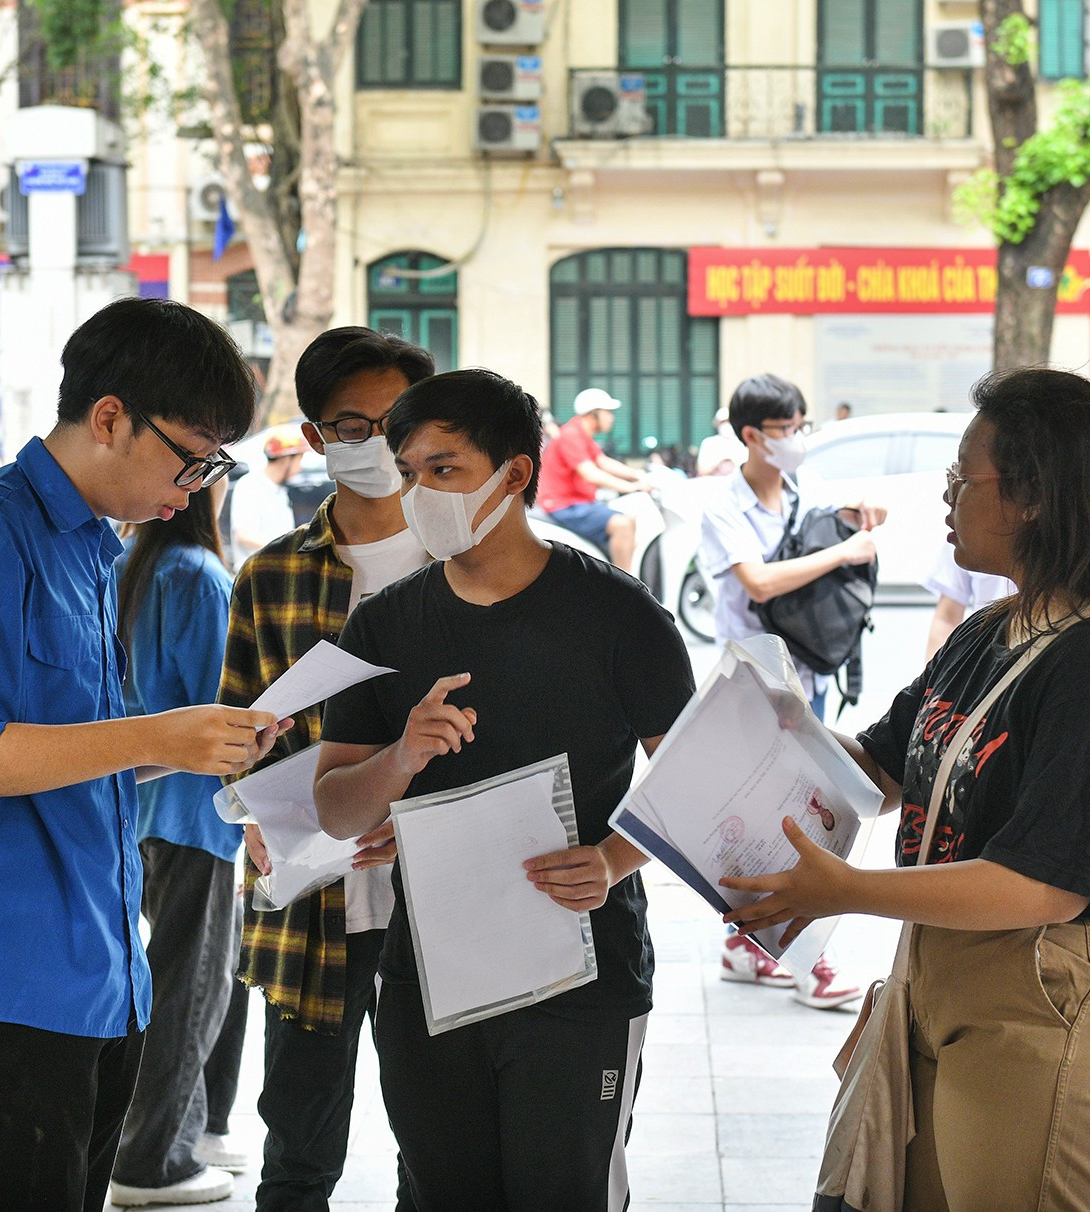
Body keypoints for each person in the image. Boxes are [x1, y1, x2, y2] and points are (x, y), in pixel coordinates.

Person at [723, 367, 1090, 1211]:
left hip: (1045, 993)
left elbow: (1045, 883)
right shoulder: (988, 628)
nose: (945, 501)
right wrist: (761, 733)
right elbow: (885, 763)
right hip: (940, 970)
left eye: (961, 480)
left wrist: (849, 890)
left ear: (1033, 498)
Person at [0, 297, 287, 1212]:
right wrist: (154, 735)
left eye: (213, 463)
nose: (196, 486)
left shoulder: (90, 549)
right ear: (109, 417)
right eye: (190, 455)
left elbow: (70, 750)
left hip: (100, 972)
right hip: (2, 980)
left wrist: (189, 745)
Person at [313, 368, 696, 1210]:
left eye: (444, 470)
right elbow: (335, 807)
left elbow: (702, 781)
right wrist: (401, 757)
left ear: (515, 474)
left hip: (581, 976)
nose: (421, 494)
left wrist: (614, 859)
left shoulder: (617, 615)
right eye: (411, 473)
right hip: (430, 979)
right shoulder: (386, 624)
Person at [223, 326, 432, 1211]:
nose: (379, 443)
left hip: (440, 895)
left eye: (398, 422)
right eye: (354, 425)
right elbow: (231, 740)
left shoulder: (464, 564)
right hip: (313, 902)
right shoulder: (271, 577)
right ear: (314, 438)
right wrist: (259, 825)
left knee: (436, 1147)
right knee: (300, 1151)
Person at [698, 373, 878, 1010]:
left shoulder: (806, 491)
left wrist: (856, 518)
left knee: (804, 813)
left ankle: (748, 944)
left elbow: (845, 521)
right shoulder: (723, 504)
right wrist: (844, 551)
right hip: (757, 681)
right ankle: (809, 957)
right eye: (786, 430)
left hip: (810, 674)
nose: (797, 440)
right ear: (751, 435)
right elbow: (760, 583)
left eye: (802, 427)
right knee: (781, 822)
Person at [108, 483, 246, 1208]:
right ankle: (154, 1159)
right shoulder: (200, 574)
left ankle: (199, 1128)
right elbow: (218, 704)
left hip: (143, 803)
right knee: (193, 982)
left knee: (190, 973)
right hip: (200, 808)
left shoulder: (135, 562)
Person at [535, 387, 652, 568]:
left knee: (630, 521)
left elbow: (603, 461)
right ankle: (624, 586)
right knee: (622, 525)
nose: (611, 417)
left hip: (579, 503)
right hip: (565, 505)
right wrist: (631, 487)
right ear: (593, 414)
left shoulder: (581, 435)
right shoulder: (571, 435)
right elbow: (591, 473)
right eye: (608, 413)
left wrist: (637, 475)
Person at [922, 540, 1016, 661]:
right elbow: (947, 619)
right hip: (983, 658)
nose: (947, 520)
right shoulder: (958, 538)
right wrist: (934, 676)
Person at [232, 425, 305, 558]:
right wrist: (286, 550)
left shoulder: (279, 490)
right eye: (299, 461)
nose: (299, 468)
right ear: (286, 459)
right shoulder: (250, 485)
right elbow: (244, 535)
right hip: (254, 574)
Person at [695, 405, 747, 477]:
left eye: (729, 421)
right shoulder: (709, 443)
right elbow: (701, 470)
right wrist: (718, 464)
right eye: (723, 422)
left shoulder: (743, 442)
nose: (726, 424)